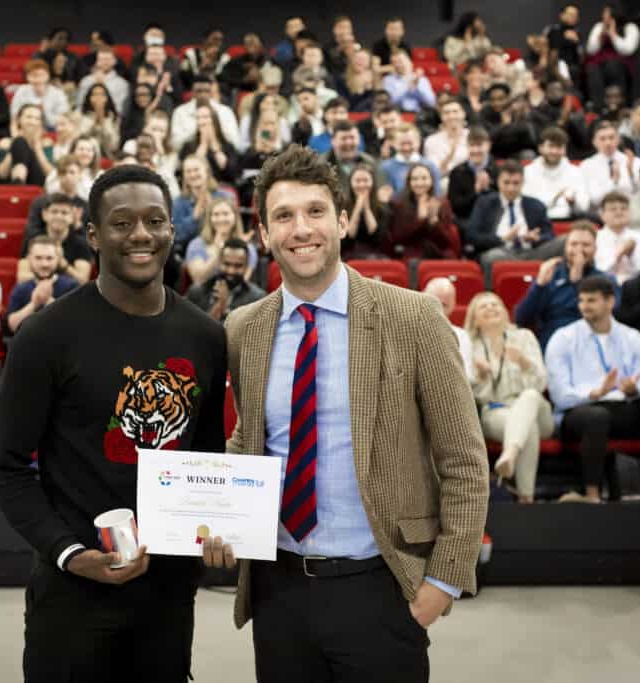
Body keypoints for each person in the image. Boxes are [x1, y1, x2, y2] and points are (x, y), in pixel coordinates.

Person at [206, 144, 487, 682]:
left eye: (314, 212)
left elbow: (465, 461)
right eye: (283, 216)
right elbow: (251, 437)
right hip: (278, 589)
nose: (300, 229)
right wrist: (217, 514)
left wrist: (443, 583)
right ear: (264, 234)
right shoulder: (245, 328)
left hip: (381, 586)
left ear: (340, 220)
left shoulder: (414, 318)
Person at [0, 164, 227, 682]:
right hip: (72, 595)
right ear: (93, 235)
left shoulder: (205, 337)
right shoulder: (46, 335)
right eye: (122, 223)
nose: (140, 234)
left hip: (166, 601)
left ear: (172, 231)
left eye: (155, 221)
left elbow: (206, 463)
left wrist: (218, 533)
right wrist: (71, 555)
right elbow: (6, 467)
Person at [546, 275, 640, 504]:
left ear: (610, 302)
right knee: (597, 415)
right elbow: (560, 395)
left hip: (624, 408)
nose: (584, 306)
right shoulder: (563, 338)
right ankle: (592, 495)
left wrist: (634, 390)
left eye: (592, 300)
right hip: (579, 412)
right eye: (582, 300)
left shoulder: (632, 337)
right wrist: (594, 394)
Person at [465, 292, 553, 502]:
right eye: (483, 306)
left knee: (530, 396)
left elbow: (541, 383)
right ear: (474, 319)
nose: (491, 308)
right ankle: (526, 498)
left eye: (496, 304)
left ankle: (510, 455)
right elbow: (474, 396)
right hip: (496, 410)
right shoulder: (471, 346)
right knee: (526, 426)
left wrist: (524, 362)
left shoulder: (524, 337)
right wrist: (481, 376)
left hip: (537, 410)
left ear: (505, 312)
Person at [515, 222, 614, 348]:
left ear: (595, 248)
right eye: (573, 244)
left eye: (586, 245)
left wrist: (577, 283)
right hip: (552, 342)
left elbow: (606, 318)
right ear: (565, 247)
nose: (579, 250)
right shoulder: (550, 274)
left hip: (591, 344)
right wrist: (539, 285)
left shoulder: (606, 280)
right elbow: (522, 318)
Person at [466, 160, 557, 268]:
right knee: (492, 256)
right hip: (499, 252)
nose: (511, 188)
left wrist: (537, 238)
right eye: (506, 182)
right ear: (498, 181)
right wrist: (503, 239)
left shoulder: (536, 205)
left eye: (516, 183)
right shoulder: (485, 203)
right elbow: (472, 236)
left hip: (532, 252)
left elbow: (550, 235)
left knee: (564, 242)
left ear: (523, 182)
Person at [6, 236, 79, 333]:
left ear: (58, 259)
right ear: (29, 259)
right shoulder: (21, 288)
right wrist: (34, 304)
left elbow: (77, 324)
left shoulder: (72, 287)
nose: (44, 264)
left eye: (49, 258)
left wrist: (49, 302)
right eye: (38, 258)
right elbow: (13, 327)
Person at [386, 163, 460, 259]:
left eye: (424, 178)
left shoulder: (443, 204)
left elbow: (447, 241)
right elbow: (397, 237)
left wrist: (433, 221)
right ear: (409, 182)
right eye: (415, 179)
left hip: (438, 251)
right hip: (412, 251)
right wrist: (420, 220)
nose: (420, 183)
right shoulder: (398, 204)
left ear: (431, 181)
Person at [18, 192, 93, 285]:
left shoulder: (81, 243)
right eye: (54, 212)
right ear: (44, 214)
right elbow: (21, 277)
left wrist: (62, 264)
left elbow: (82, 280)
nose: (59, 216)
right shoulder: (32, 240)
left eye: (64, 213)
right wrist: (52, 276)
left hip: (69, 294)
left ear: (71, 217)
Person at [186, 237, 266, 321]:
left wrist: (225, 309)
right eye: (227, 264)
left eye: (238, 266)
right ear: (219, 262)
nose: (231, 271)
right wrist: (218, 307)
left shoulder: (257, 299)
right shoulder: (197, 292)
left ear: (246, 266)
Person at [184, 196, 257, 286]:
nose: (221, 219)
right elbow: (198, 279)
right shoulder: (196, 244)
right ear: (210, 218)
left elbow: (242, 284)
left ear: (235, 217)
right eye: (216, 214)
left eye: (225, 214)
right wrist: (218, 252)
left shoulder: (247, 248)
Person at [523, 126, 589, 220]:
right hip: (536, 221)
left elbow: (584, 206)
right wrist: (555, 198)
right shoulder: (528, 171)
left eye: (559, 147)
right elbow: (527, 204)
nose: (554, 151)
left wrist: (573, 203)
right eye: (551, 146)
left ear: (565, 149)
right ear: (540, 148)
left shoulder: (575, 172)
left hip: (568, 221)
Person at [585, 4, 640, 109]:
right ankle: (598, 107)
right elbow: (591, 50)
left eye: (606, 14)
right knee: (592, 69)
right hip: (599, 63)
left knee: (613, 66)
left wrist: (613, 34)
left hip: (621, 63)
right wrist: (601, 34)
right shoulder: (598, 26)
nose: (603, 16)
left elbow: (628, 50)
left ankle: (618, 106)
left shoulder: (630, 27)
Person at [579, 120, 640, 213]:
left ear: (618, 139)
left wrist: (631, 174)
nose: (608, 143)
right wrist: (613, 182)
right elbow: (594, 199)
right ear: (594, 142)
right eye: (602, 139)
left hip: (631, 213)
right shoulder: (587, 165)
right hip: (600, 215)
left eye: (611, 138)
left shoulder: (634, 162)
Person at [172, 155, 228, 253]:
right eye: (188, 171)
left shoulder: (224, 196)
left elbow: (233, 226)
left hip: (224, 247)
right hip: (192, 250)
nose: (193, 174)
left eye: (196, 169)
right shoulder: (178, 202)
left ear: (206, 171)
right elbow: (177, 236)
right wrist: (195, 215)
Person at [170, 75, 241, 150]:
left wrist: (215, 129)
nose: (202, 94)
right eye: (199, 91)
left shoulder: (225, 111)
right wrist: (197, 129)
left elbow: (236, 143)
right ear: (192, 92)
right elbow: (174, 144)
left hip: (219, 152)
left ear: (211, 92)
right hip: (190, 154)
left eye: (206, 91)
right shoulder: (180, 112)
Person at [423, 277, 474, 380]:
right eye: (435, 301)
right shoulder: (407, 329)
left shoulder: (461, 335)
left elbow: (466, 375)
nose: (438, 308)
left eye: (444, 304)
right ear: (423, 297)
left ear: (453, 305)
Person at [0, 104, 55, 187]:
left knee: (20, 141)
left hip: (36, 184)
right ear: (19, 119)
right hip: (9, 185)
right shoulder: (6, 143)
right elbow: (2, 174)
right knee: (20, 142)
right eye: (29, 117)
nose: (32, 122)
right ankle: (18, 182)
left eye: (37, 118)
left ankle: (19, 182)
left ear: (41, 123)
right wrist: (15, 145)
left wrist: (37, 148)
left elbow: (51, 174)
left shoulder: (46, 143)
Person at [447, 126, 498, 224]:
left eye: (479, 145)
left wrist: (488, 188)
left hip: (495, 219)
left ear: (488, 146)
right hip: (467, 219)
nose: (475, 150)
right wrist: (475, 191)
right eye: (471, 145)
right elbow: (455, 207)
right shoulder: (457, 172)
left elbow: (505, 202)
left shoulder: (498, 170)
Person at [594, 191, 640, 284]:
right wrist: (619, 255)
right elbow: (597, 270)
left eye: (624, 208)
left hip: (634, 287)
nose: (619, 212)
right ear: (602, 214)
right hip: (602, 285)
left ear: (630, 212)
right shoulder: (594, 238)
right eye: (613, 209)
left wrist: (631, 256)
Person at [9, 59, 70, 134]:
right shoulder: (21, 91)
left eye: (41, 75)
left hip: (52, 130)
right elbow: (14, 117)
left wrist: (44, 110)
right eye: (34, 75)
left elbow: (63, 118)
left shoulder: (58, 93)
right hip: (24, 130)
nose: (38, 79)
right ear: (27, 77)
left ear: (48, 75)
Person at [342, 163, 389, 259]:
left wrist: (367, 208)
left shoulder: (382, 207)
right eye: (357, 181)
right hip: (349, 254)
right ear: (351, 183)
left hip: (375, 255)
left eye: (366, 180)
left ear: (372, 182)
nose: (362, 185)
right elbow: (349, 235)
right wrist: (358, 208)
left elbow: (376, 236)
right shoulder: (343, 206)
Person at [381, 123, 441, 195]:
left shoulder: (430, 165)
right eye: (402, 144)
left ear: (418, 142)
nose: (406, 148)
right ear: (393, 143)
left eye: (410, 143)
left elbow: (437, 194)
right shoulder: (385, 167)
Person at [423, 98, 469, 181]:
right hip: (443, 181)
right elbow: (434, 173)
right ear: (441, 117)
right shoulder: (431, 141)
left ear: (463, 114)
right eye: (447, 113)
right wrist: (449, 156)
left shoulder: (472, 136)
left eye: (455, 112)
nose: (451, 116)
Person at [76, 46, 131, 114]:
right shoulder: (86, 81)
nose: (105, 62)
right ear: (97, 62)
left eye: (107, 59)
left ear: (114, 61)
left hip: (112, 119)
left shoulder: (122, 84)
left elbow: (121, 109)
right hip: (87, 118)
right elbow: (79, 105)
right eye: (101, 59)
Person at [380, 49, 435, 114]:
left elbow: (431, 103)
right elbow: (389, 103)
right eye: (394, 62)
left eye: (400, 61)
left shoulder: (421, 79)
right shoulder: (388, 80)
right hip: (397, 115)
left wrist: (417, 88)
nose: (397, 65)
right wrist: (407, 88)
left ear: (408, 61)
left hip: (419, 115)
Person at [80, 83, 122, 155]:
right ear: (89, 97)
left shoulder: (113, 117)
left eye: (102, 94)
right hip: (85, 152)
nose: (98, 98)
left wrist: (102, 122)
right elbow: (80, 138)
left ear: (107, 98)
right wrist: (94, 122)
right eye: (95, 94)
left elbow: (114, 145)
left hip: (108, 154)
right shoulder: (81, 115)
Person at [545, 4, 583, 81]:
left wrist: (577, 42)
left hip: (572, 67)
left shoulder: (577, 34)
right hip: (554, 65)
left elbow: (581, 56)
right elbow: (550, 51)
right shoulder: (553, 30)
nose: (573, 17)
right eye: (570, 14)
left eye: (575, 15)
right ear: (562, 15)